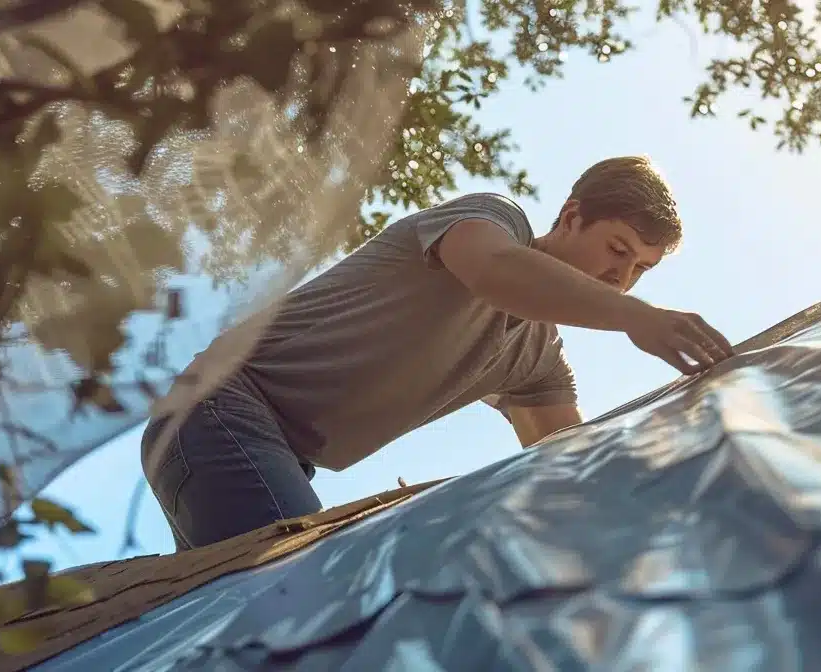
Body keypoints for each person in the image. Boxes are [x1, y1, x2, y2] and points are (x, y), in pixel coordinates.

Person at [142, 155, 735, 550]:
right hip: (222, 404)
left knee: (215, 630)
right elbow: (493, 270)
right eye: (617, 248)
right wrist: (639, 320)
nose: (622, 277)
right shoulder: (489, 220)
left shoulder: (538, 361)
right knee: (301, 584)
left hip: (279, 457)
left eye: (641, 270)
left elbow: (566, 458)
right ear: (572, 216)